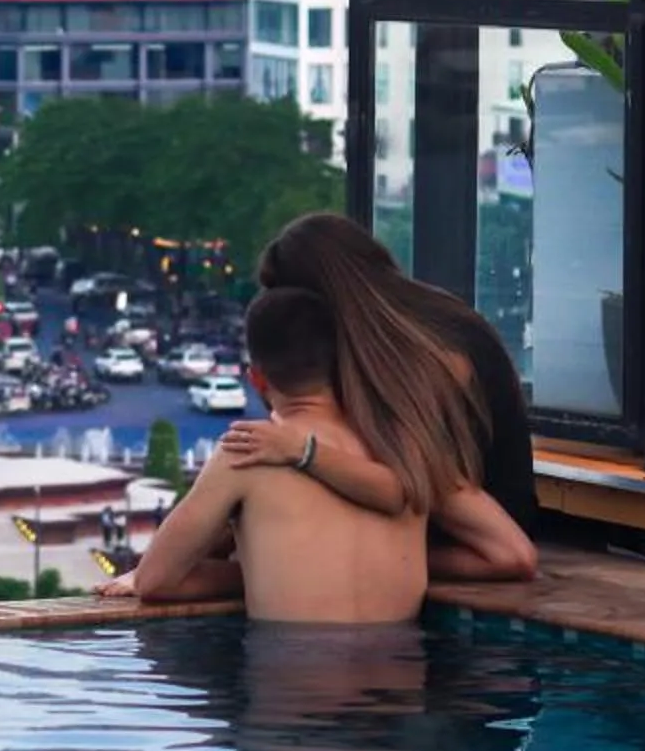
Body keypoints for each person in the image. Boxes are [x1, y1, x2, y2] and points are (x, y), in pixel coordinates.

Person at [98, 287, 427, 624]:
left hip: (293, 656)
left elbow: (155, 580)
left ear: (255, 378)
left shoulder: (247, 451)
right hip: (404, 653)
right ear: (341, 366)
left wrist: (255, 574)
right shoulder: (400, 447)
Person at [247, 211, 536, 532]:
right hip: (483, 516)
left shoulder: (424, 354)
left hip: (471, 529)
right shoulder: (430, 322)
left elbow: (411, 480)